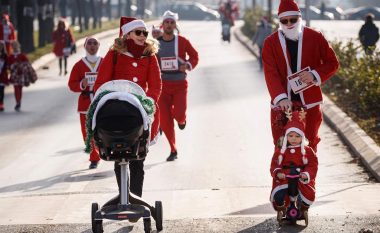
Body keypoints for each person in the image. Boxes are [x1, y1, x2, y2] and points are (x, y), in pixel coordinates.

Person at [93, 17, 162, 198]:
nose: (142, 36)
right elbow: (101, 83)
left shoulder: (150, 55)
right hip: (116, 110)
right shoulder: (114, 54)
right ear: (127, 34)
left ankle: (135, 197)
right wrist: (106, 100)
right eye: (138, 32)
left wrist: (149, 103)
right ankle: (123, 196)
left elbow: (155, 85)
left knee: (138, 160)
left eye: (145, 33)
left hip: (139, 112)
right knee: (120, 157)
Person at [262, 0, 339, 152]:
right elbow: (270, 73)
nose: (289, 23)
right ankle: (281, 175)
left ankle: (308, 176)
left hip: (309, 103)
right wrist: (280, 97)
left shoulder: (316, 37)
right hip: (282, 105)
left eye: (293, 19)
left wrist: (314, 74)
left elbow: (332, 63)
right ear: (280, 21)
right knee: (281, 145)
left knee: (309, 145)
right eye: (284, 20)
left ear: (299, 17)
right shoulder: (270, 42)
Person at [156, 11, 199, 161]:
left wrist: (187, 65)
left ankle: (182, 120)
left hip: (180, 84)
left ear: (175, 25)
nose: (169, 25)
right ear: (163, 24)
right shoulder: (156, 43)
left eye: (171, 22)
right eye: (166, 22)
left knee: (180, 114)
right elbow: (147, 58)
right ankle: (173, 149)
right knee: (166, 121)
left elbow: (194, 56)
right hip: (162, 86)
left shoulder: (182, 41)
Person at [270, 109, 318, 222]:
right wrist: (278, 172)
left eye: (297, 136)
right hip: (285, 177)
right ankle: (282, 209)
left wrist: (306, 174)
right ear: (286, 137)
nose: (294, 139)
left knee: (308, 194)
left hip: (300, 176)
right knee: (279, 195)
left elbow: (312, 164)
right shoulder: (282, 150)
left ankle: (303, 208)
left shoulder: (307, 151)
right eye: (291, 136)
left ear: (302, 137)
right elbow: (274, 163)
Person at [68, 37, 102, 169]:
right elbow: (72, 85)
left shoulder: (104, 62)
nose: (92, 46)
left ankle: (103, 151)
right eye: (89, 43)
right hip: (85, 104)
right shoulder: (79, 65)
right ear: (85, 46)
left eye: (95, 43)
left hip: (102, 102)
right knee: (88, 132)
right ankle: (94, 157)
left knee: (102, 129)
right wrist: (82, 84)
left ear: (99, 45)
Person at [8, 41, 37, 111]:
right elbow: (8, 65)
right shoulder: (11, 56)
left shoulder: (22, 55)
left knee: (20, 88)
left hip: (21, 75)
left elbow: (27, 63)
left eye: (16, 46)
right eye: (13, 46)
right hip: (14, 75)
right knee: (16, 88)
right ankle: (17, 102)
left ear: (18, 47)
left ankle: (19, 101)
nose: (15, 48)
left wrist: (21, 66)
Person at [0, 41, 8, 111]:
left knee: (1, 90)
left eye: (1, 46)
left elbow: (7, 64)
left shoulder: (5, 55)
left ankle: (1, 103)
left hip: (2, 76)